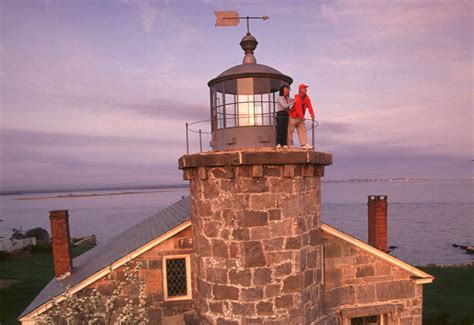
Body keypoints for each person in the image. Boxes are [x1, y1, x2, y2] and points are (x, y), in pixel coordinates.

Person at [287, 83, 315, 149]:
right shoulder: (297, 97)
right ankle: (289, 145)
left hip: (300, 118)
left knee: (303, 129)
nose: (306, 90)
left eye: (306, 88)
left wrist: (312, 114)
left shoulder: (307, 98)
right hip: (293, 117)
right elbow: (298, 108)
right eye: (304, 88)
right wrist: (302, 117)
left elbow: (309, 105)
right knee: (290, 131)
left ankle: (304, 144)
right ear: (300, 90)